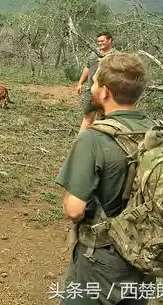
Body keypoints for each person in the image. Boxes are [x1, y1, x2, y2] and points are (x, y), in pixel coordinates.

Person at [55, 52, 156, 305]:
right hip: (145, 257)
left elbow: (74, 210)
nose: (91, 87)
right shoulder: (156, 132)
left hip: (101, 261)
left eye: (95, 83)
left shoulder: (94, 139)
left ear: (105, 93)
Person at [76, 31, 115, 132]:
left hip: (107, 93)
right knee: (88, 117)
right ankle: (80, 143)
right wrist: (80, 83)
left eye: (102, 41)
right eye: (98, 41)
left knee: (105, 119)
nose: (100, 43)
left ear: (110, 40)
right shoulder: (94, 53)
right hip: (91, 90)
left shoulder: (116, 56)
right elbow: (87, 68)